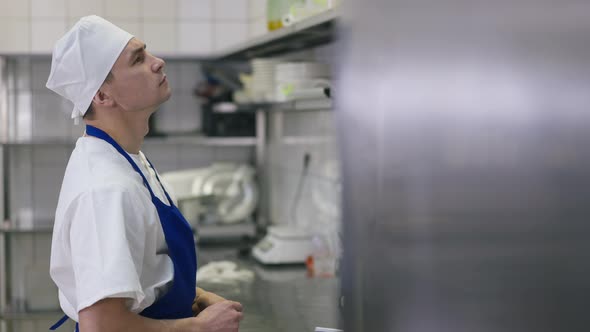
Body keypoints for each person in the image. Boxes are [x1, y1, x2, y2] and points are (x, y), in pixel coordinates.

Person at [45, 15, 243, 332]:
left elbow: (148, 261)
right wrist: (199, 328)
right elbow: (102, 326)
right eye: (138, 59)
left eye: (146, 52)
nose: (157, 62)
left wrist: (197, 295)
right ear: (102, 96)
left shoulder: (127, 157)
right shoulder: (105, 190)